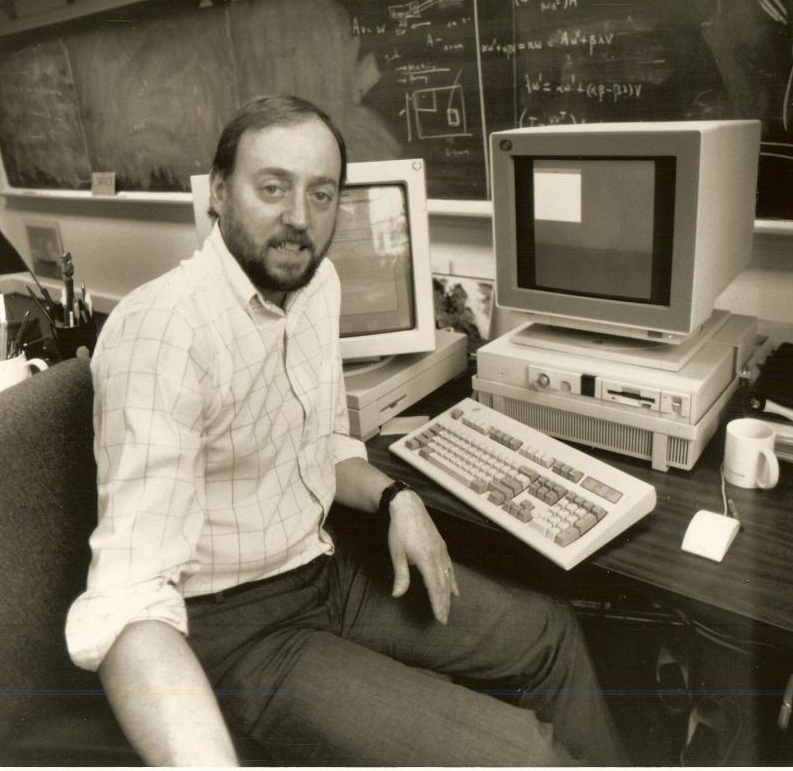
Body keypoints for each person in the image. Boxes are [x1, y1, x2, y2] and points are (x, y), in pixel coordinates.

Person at [65, 94, 626, 766]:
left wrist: (399, 500)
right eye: (272, 187)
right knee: (523, 756)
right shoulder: (164, 333)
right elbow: (130, 601)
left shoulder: (316, 285)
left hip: (322, 571)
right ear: (218, 192)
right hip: (236, 629)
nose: (298, 218)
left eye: (321, 193)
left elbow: (322, 448)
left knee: (550, 634)